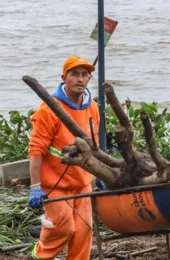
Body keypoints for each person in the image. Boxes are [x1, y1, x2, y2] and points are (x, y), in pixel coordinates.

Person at [27, 56, 105, 259]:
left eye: (84, 75)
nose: (80, 79)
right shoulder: (48, 110)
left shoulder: (92, 107)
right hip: (54, 186)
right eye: (74, 74)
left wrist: (101, 174)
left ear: (89, 78)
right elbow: (36, 151)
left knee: (83, 232)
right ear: (64, 78)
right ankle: (37, 256)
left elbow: (94, 146)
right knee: (63, 227)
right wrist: (35, 188)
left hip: (82, 183)